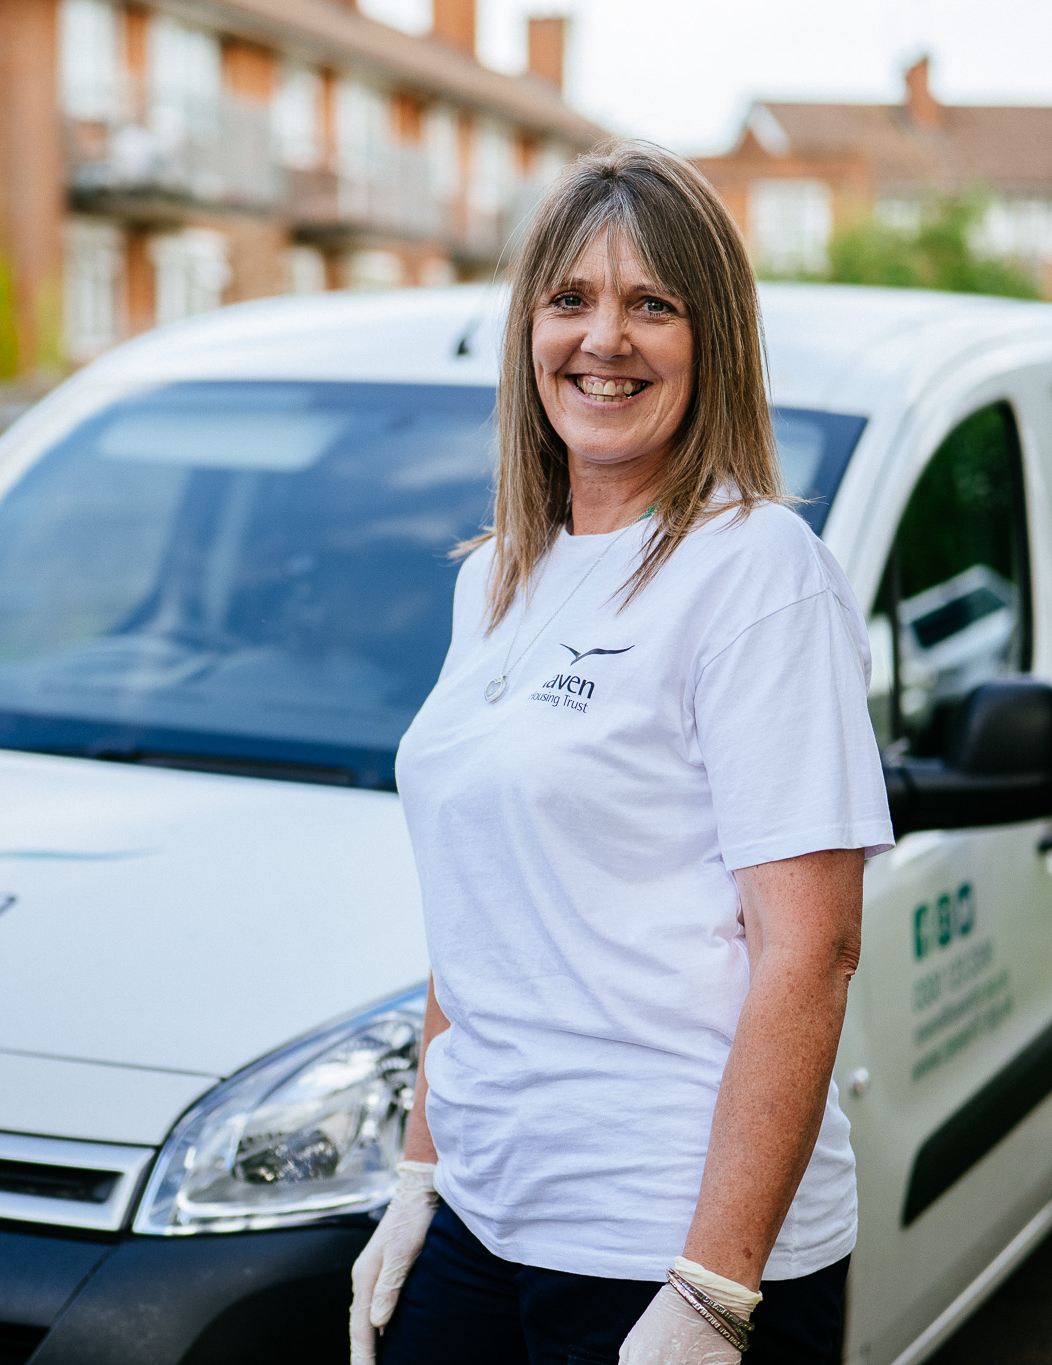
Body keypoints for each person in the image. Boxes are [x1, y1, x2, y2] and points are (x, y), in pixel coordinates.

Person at [351, 143, 894, 1365]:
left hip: (666, 1245)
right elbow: (475, 909)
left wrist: (711, 1294)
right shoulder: (496, 577)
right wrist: (420, 1168)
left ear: (714, 343)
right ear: (527, 331)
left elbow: (810, 949)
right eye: (571, 301)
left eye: (652, 304)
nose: (605, 339)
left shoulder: (756, 573)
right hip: (483, 1223)